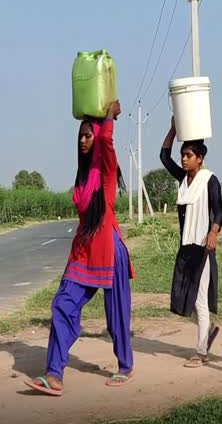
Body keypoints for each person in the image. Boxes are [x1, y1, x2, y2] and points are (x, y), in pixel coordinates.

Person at [25, 101, 134, 396]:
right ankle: (54, 374)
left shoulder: (107, 172)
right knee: (62, 304)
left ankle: (125, 366)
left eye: (89, 135)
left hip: (109, 250)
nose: (84, 140)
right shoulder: (82, 175)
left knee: (117, 315)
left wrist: (108, 119)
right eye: (81, 136)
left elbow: (107, 144)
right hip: (84, 250)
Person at [160, 117, 222, 367]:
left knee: (198, 298)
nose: (184, 159)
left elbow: (218, 211)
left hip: (202, 248)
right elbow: (164, 157)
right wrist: (173, 128)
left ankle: (201, 352)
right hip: (186, 247)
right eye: (183, 155)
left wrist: (214, 232)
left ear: (200, 158)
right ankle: (206, 332)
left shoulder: (210, 180)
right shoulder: (183, 180)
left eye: (188, 155)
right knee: (182, 297)